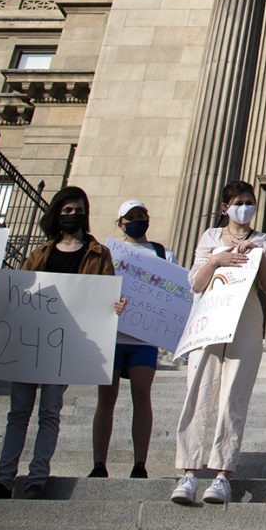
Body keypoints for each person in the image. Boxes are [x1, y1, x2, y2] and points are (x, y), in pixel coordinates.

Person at [0, 187, 125, 500]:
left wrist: (115, 308)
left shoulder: (98, 254)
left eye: (78, 209)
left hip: (65, 346)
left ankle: (37, 479)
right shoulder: (41, 252)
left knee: (50, 412)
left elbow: (103, 298)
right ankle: (4, 480)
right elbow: (18, 288)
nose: (72, 215)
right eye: (66, 210)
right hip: (29, 342)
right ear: (57, 213)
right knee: (18, 412)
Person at [172, 180, 266, 505]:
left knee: (234, 395)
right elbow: (195, 282)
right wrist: (216, 261)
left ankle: (222, 473)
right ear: (225, 207)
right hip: (209, 318)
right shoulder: (210, 237)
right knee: (198, 391)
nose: (245, 207)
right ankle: (189, 472)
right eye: (239, 202)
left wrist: (260, 256)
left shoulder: (264, 240)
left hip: (245, 318)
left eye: (250, 201)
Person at [92, 199, 177, 479]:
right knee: (106, 397)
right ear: (120, 223)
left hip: (144, 338)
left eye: (141, 215)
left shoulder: (163, 254)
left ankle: (140, 463)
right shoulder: (108, 253)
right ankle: (99, 464)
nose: (137, 220)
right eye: (130, 217)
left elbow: (174, 293)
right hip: (112, 335)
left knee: (142, 394)